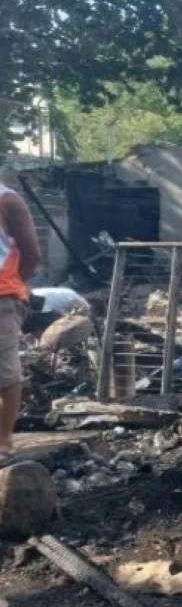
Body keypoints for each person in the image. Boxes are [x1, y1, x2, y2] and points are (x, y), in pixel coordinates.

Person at [0, 184, 41, 456]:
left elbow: (32, 254)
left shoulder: (8, 201)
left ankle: (3, 440)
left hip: (2, 297)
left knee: (4, 371)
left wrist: (14, 287)